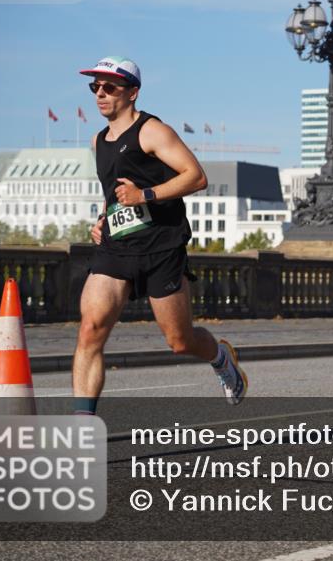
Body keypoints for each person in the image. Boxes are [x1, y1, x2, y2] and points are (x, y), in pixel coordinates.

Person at [72, 56, 247, 415]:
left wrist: (145, 195)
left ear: (132, 92)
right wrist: (104, 218)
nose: (100, 94)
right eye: (95, 87)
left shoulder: (154, 131)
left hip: (161, 247)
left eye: (110, 87)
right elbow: (115, 193)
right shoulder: (99, 141)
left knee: (180, 341)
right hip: (116, 249)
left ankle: (221, 358)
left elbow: (195, 177)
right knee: (90, 329)